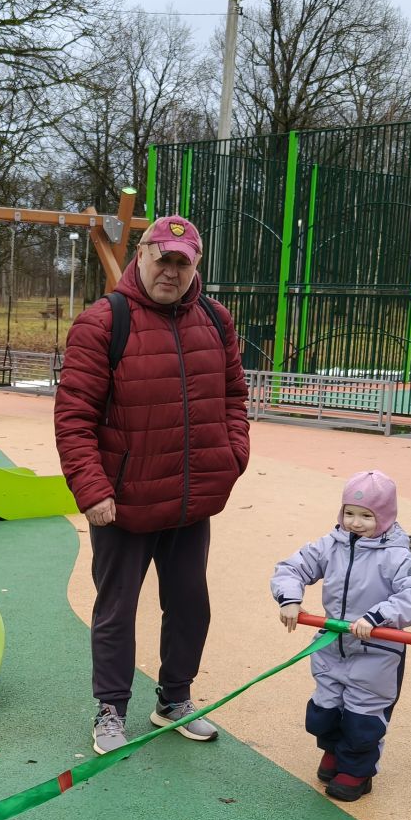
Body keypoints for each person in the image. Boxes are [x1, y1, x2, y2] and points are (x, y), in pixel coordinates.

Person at [53, 214, 250, 755]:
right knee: (117, 608)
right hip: (125, 502)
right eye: (162, 257)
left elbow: (235, 397)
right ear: (141, 256)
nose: (171, 270)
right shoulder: (104, 322)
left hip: (191, 498)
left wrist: (232, 457)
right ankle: (110, 709)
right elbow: (74, 417)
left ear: (195, 267)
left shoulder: (215, 320)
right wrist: (92, 490)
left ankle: (174, 699)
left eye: (182, 262)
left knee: (190, 603)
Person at [271, 470, 411, 801]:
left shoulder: (396, 556)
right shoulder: (331, 545)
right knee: (324, 710)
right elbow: (292, 567)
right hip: (332, 645)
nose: (355, 523)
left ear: (385, 516)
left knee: (363, 717)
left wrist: (377, 616)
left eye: (366, 516)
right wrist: (290, 598)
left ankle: (356, 771)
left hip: (376, 652)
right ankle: (332, 751)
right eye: (349, 513)